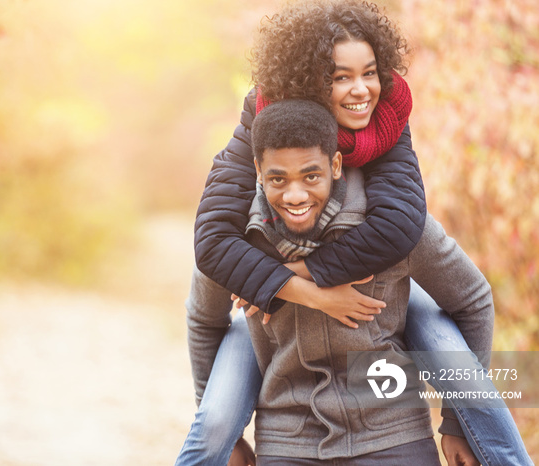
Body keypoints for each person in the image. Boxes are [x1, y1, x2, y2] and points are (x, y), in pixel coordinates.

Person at [176, 1, 532, 465]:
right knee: (215, 423)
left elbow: (406, 228)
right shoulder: (259, 144)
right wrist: (298, 290)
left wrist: (296, 272)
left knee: (439, 338)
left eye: (369, 73)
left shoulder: (385, 122)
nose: (360, 90)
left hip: (387, 382)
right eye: (340, 76)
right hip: (289, 432)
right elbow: (212, 252)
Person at [242, 97, 492, 463]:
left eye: (311, 175)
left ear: (336, 164)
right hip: (287, 440)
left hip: (394, 434)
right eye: (278, 179)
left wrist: (458, 422)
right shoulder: (241, 239)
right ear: (259, 172)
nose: (295, 195)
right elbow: (204, 317)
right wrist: (226, 434)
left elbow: (474, 299)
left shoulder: (394, 227)